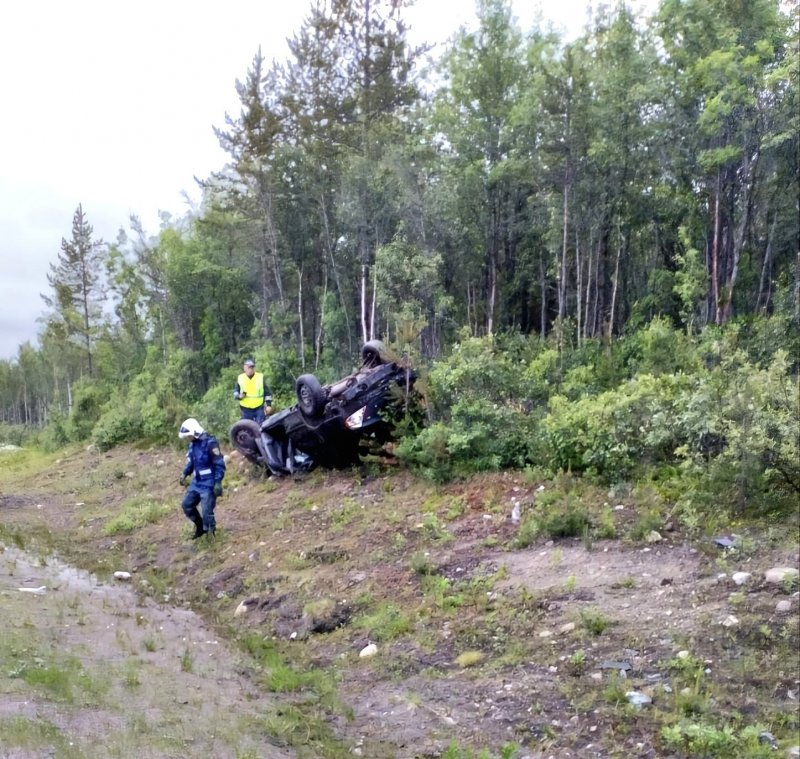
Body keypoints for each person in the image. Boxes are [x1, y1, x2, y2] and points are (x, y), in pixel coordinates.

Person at [178, 418, 226, 539]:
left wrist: (218, 482)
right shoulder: (192, 445)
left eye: (188, 435)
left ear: (194, 432)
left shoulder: (210, 443)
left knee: (206, 511)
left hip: (209, 482)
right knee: (187, 505)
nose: (187, 438)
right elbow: (191, 462)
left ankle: (211, 535)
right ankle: (200, 528)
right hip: (197, 481)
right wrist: (185, 473)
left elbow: (219, 464)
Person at [233, 358, 273, 424]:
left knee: (261, 426)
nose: (251, 369)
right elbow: (235, 391)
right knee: (248, 428)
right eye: (249, 367)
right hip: (245, 409)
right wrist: (239, 396)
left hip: (259, 407)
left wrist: (269, 405)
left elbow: (267, 393)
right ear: (244, 368)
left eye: (252, 367)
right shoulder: (240, 378)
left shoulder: (260, 377)